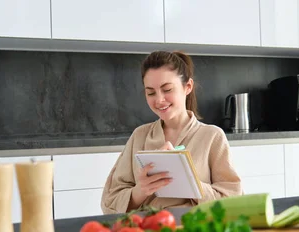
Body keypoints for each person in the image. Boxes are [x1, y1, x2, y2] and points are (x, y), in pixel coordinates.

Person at [100, 50, 243, 214]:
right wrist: (141, 190)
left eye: (167, 89)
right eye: (151, 92)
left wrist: (190, 182)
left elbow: (234, 202)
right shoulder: (140, 136)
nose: (159, 100)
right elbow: (109, 202)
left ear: (187, 87)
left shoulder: (212, 137)